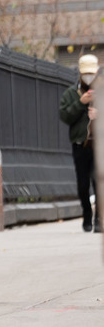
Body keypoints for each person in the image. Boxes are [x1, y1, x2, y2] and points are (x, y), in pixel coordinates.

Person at [59, 54, 99, 233]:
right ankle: (87, 214)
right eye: (86, 74)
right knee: (83, 184)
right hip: (80, 145)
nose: (88, 77)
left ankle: (99, 219)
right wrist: (79, 103)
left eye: (92, 73)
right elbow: (64, 116)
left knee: (99, 183)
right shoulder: (70, 93)